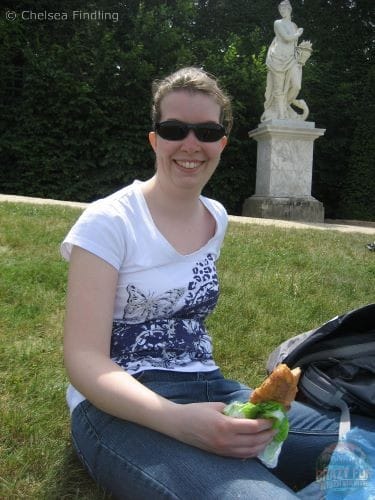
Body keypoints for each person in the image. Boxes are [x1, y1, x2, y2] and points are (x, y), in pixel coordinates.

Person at [61, 66, 373, 499]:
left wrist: (208, 414)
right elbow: (84, 361)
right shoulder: (109, 221)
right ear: (155, 139)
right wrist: (180, 422)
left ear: (221, 144)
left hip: (213, 389)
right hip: (120, 407)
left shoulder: (215, 216)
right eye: (174, 129)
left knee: (366, 450)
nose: (191, 144)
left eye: (206, 132)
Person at [261, 0, 310, 121]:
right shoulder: (277, 23)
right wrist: (298, 34)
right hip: (277, 58)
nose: (282, 11)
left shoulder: (294, 25)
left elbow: (294, 45)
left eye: (284, 9)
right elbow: (287, 38)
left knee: (296, 86)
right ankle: (281, 114)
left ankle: (285, 105)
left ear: (289, 10)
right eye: (280, 9)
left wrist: (302, 51)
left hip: (291, 59)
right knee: (278, 89)